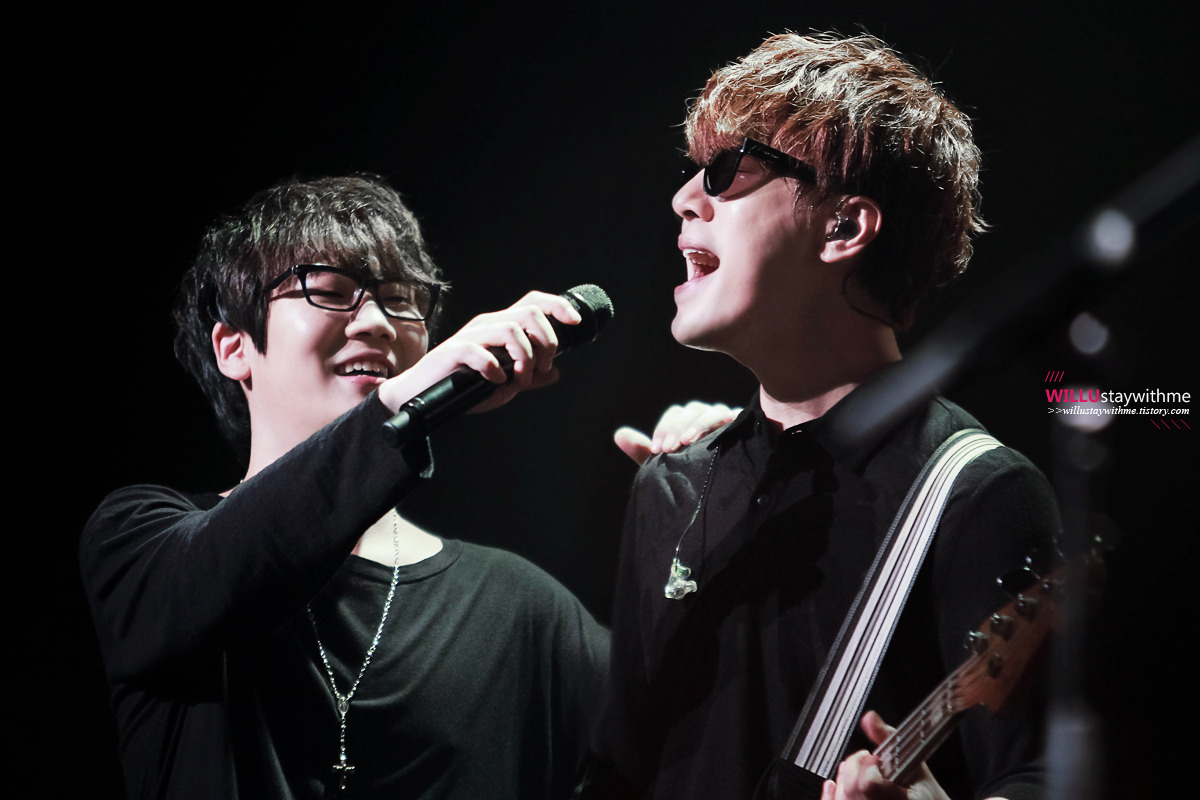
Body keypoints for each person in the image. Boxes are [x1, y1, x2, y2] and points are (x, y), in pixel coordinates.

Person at [80, 175, 730, 800]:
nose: (378, 323)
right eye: (329, 290)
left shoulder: (521, 610)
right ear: (233, 347)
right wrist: (399, 403)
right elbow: (214, 578)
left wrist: (730, 509)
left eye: (401, 300)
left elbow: (701, 746)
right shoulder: (138, 538)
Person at [597, 33, 1059, 800]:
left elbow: (1035, 772)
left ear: (844, 228)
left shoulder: (977, 492)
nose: (685, 199)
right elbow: (616, 771)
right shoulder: (671, 489)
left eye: (727, 171)